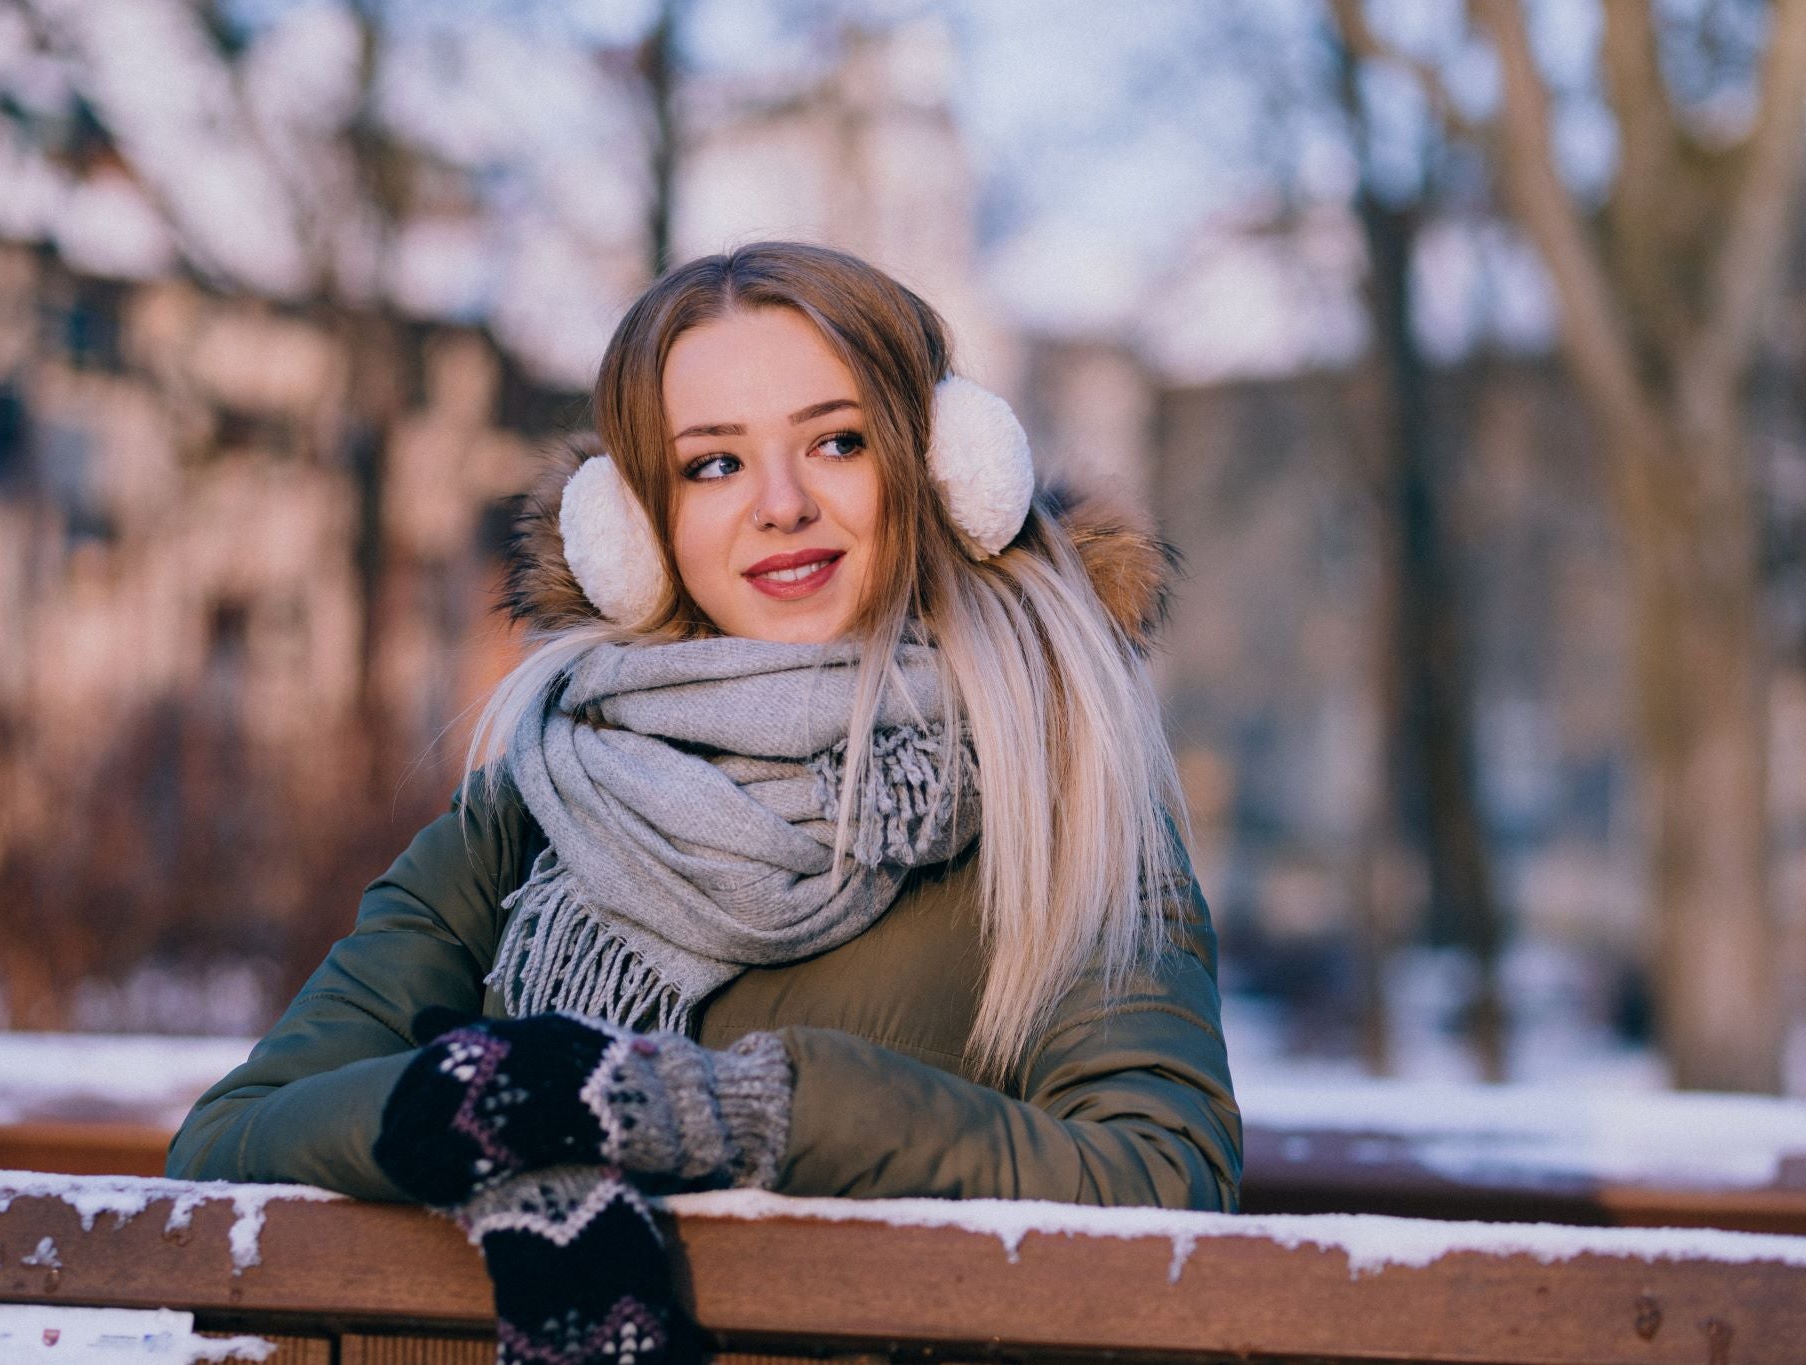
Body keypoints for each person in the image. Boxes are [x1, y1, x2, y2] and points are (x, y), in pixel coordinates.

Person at [169, 241, 1241, 1365]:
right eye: (711, 466)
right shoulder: (530, 805)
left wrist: (752, 1113)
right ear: (635, 529)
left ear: (938, 471)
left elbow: (1158, 1181)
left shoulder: (1059, 787)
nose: (780, 506)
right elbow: (230, 1143)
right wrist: (499, 1113)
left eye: (836, 442)